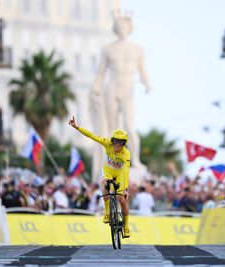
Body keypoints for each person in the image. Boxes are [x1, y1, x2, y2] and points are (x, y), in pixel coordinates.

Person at [89, 11, 150, 177]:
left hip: (128, 87)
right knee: (113, 127)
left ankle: (135, 160)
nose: (122, 29)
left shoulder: (137, 49)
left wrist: (146, 83)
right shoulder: (108, 49)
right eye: (119, 26)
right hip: (112, 87)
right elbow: (101, 73)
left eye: (124, 26)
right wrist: (96, 87)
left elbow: (143, 71)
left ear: (129, 28)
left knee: (129, 126)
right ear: (115, 28)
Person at [69, 115, 131, 238]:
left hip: (119, 174)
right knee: (104, 184)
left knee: (121, 200)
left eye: (121, 142)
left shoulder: (126, 154)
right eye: (116, 141)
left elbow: (126, 171)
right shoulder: (107, 143)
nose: (118, 144)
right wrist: (77, 127)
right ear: (112, 141)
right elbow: (92, 136)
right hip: (107, 172)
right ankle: (107, 212)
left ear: (124, 143)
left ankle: (126, 225)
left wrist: (126, 189)